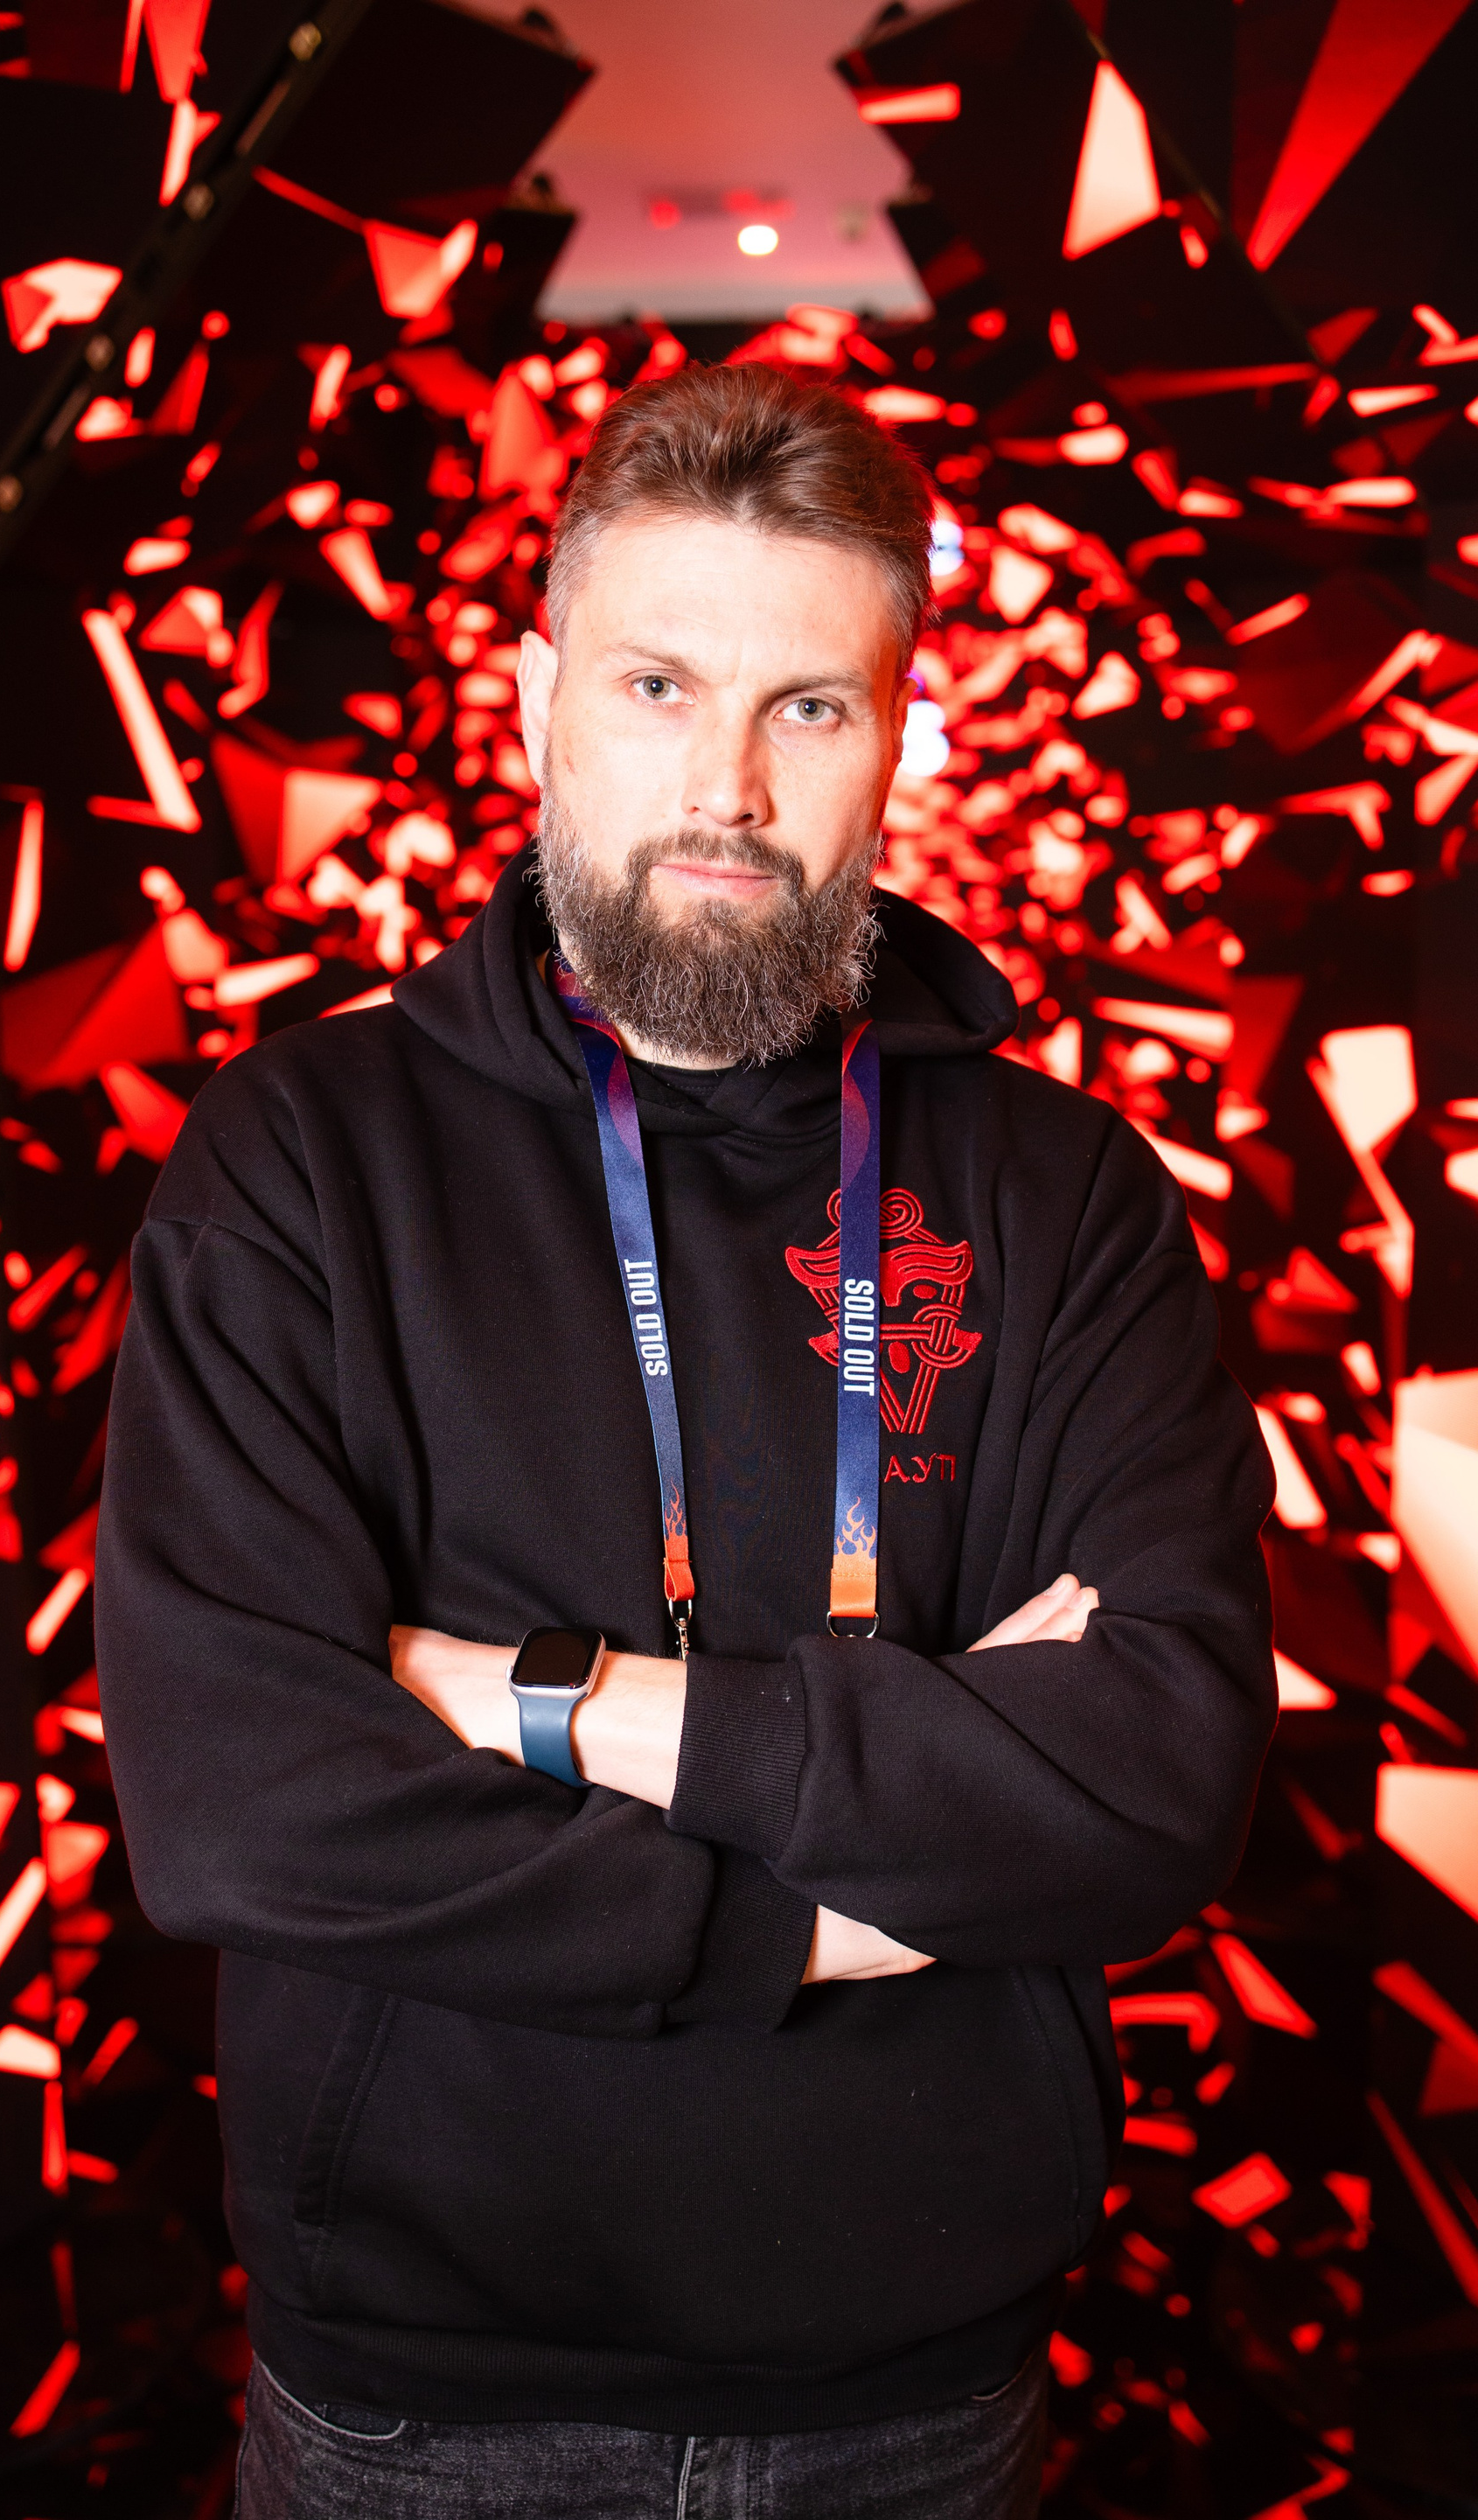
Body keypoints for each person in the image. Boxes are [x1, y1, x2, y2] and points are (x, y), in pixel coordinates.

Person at [96, 362, 1275, 2520]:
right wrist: (817, 1910)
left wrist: (519, 1700)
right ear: (543, 698)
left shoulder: (1066, 1193)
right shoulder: (298, 1160)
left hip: (921, 2398)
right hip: (424, 2410)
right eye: (659, 684)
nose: (727, 783)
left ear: (898, 738)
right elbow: (236, 1807)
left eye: (808, 708)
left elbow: (1157, 1777)